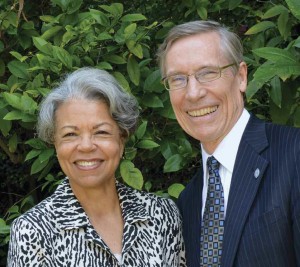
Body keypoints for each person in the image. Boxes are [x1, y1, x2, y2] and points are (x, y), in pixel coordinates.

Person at [7, 67, 186, 266]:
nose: (85, 146)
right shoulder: (32, 231)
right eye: (70, 134)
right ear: (55, 144)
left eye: (100, 132)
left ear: (122, 139)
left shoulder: (161, 214)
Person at [157, 20, 300, 267]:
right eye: (178, 79)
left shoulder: (294, 154)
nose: (193, 93)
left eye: (208, 73)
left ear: (241, 77)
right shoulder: (188, 203)